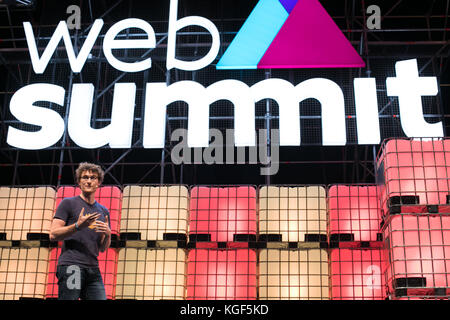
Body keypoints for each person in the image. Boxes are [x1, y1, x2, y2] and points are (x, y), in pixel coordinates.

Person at [50, 162, 111, 300]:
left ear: (99, 182)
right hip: (72, 267)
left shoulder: (103, 211)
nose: (89, 181)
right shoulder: (68, 203)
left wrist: (108, 234)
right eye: (85, 177)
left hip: (93, 269)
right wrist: (78, 226)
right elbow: (53, 234)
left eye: (93, 178)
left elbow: (102, 248)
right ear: (79, 181)